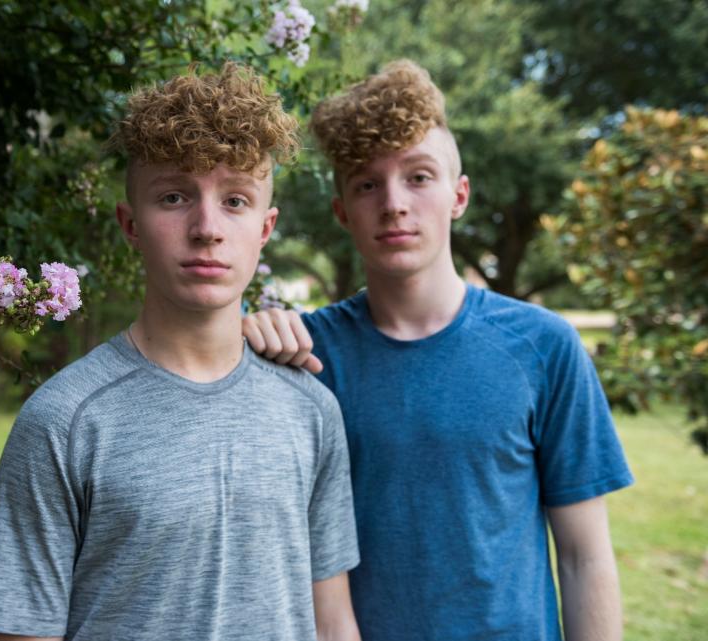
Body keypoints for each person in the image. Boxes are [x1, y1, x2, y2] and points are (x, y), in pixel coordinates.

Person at [0, 64, 361, 641]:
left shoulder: (311, 410)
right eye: (174, 197)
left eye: (235, 200)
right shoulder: (64, 421)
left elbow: (334, 623)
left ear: (266, 227)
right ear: (131, 223)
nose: (206, 228)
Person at [243, 59, 634, 641]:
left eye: (418, 177)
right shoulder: (303, 355)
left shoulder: (544, 347)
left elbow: (584, 557)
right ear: (341, 211)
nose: (394, 203)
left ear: (459, 195)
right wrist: (241, 334)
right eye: (367, 184)